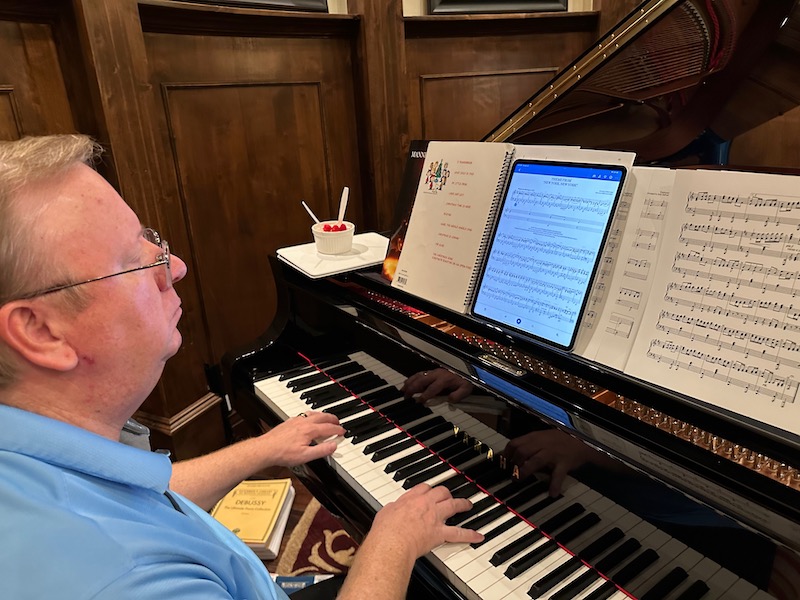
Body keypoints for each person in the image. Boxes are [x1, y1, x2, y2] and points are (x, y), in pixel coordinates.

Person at [0, 134, 482, 600]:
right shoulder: (127, 580)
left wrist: (261, 449)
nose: (178, 267)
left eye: (152, 241)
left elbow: (138, 498)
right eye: (134, 261)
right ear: (41, 332)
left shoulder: (32, 450)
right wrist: (392, 545)